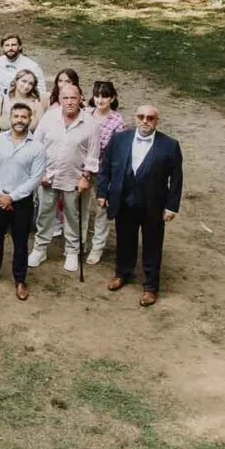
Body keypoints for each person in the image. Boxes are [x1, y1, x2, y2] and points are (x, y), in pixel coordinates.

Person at [97, 105, 183, 306]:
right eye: (141, 117)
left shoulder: (169, 145)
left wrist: (172, 207)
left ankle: (151, 286)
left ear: (156, 121)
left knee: (152, 245)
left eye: (150, 118)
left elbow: (177, 179)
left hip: (153, 204)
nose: (145, 121)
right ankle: (122, 273)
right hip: (124, 200)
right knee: (124, 239)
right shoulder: (120, 139)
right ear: (135, 118)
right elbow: (105, 167)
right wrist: (102, 192)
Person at [0, 100, 46, 300]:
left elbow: (35, 179)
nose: (19, 120)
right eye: (16, 117)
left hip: (21, 202)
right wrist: (0, 195)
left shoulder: (37, 148)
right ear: (10, 119)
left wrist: (12, 197)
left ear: (30, 119)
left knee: (21, 241)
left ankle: (20, 279)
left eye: (24, 117)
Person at [30, 83, 101, 274]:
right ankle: (40, 248)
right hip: (48, 175)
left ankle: (72, 251)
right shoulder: (50, 117)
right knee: (45, 213)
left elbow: (93, 155)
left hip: (74, 178)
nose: (69, 102)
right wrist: (40, 172)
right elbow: (36, 146)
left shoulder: (91, 124)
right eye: (65, 98)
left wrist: (86, 177)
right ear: (59, 99)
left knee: (72, 215)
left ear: (80, 99)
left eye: (73, 98)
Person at [86, 80, 126, 263]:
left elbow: (117, 149)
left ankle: (97, 247)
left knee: (102, 210)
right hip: (84, 168)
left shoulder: (117, 121)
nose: (100, 100)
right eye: (97, 95)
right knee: (81, 207)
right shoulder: (86, 114)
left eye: (104, 96)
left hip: (104, 171)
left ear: (112, 98)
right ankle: (79, 243)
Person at [0, 34, 46, 101]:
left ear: (20, 47)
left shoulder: (32, 66)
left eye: (13, 45)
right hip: (1, 102)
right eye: (7, 45)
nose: (10, 48)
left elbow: (41, 89)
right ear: (2, 47)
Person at [0, 69, 47, 136]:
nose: (26, 86)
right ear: (16, 81)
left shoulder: (36, 103)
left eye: (30, 84)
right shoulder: (2, 101)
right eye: (24, 81)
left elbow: (42, 130)